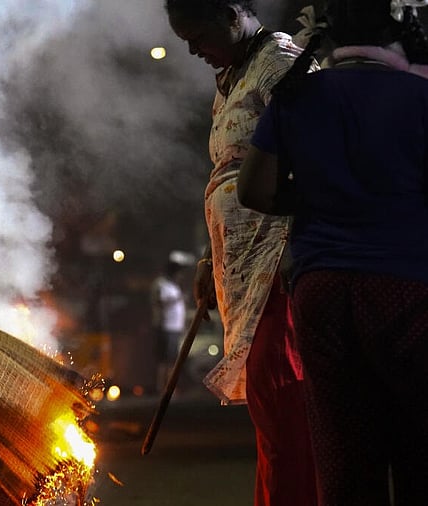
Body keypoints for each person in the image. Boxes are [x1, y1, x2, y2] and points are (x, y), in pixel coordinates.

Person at [238, 1, 428, 503]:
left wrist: (323, 200)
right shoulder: (420, 96)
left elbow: (253, 191)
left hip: (321, 291)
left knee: (344, 456)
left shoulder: (298, 95)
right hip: (407, 287)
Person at [165, 1, 317, 505]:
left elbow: (315, 156)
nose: (192, 49)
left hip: (279, 262)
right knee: (270, 411)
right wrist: (213, 259)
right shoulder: (235, 75)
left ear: (231, 14)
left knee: (284, 403)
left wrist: (299, 251)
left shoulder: (282, 64)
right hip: (243, 264)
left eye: (196, 34)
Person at [149, 259, 186, 394]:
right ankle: (163, 387)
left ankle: (169, 387)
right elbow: (159, 302)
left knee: (172, 359)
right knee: (165, 359)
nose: (180, 276)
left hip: (174, 327)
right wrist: (178, 299)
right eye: (179, 273)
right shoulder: (160, 284)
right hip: (165, 326)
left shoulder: (173, 286)